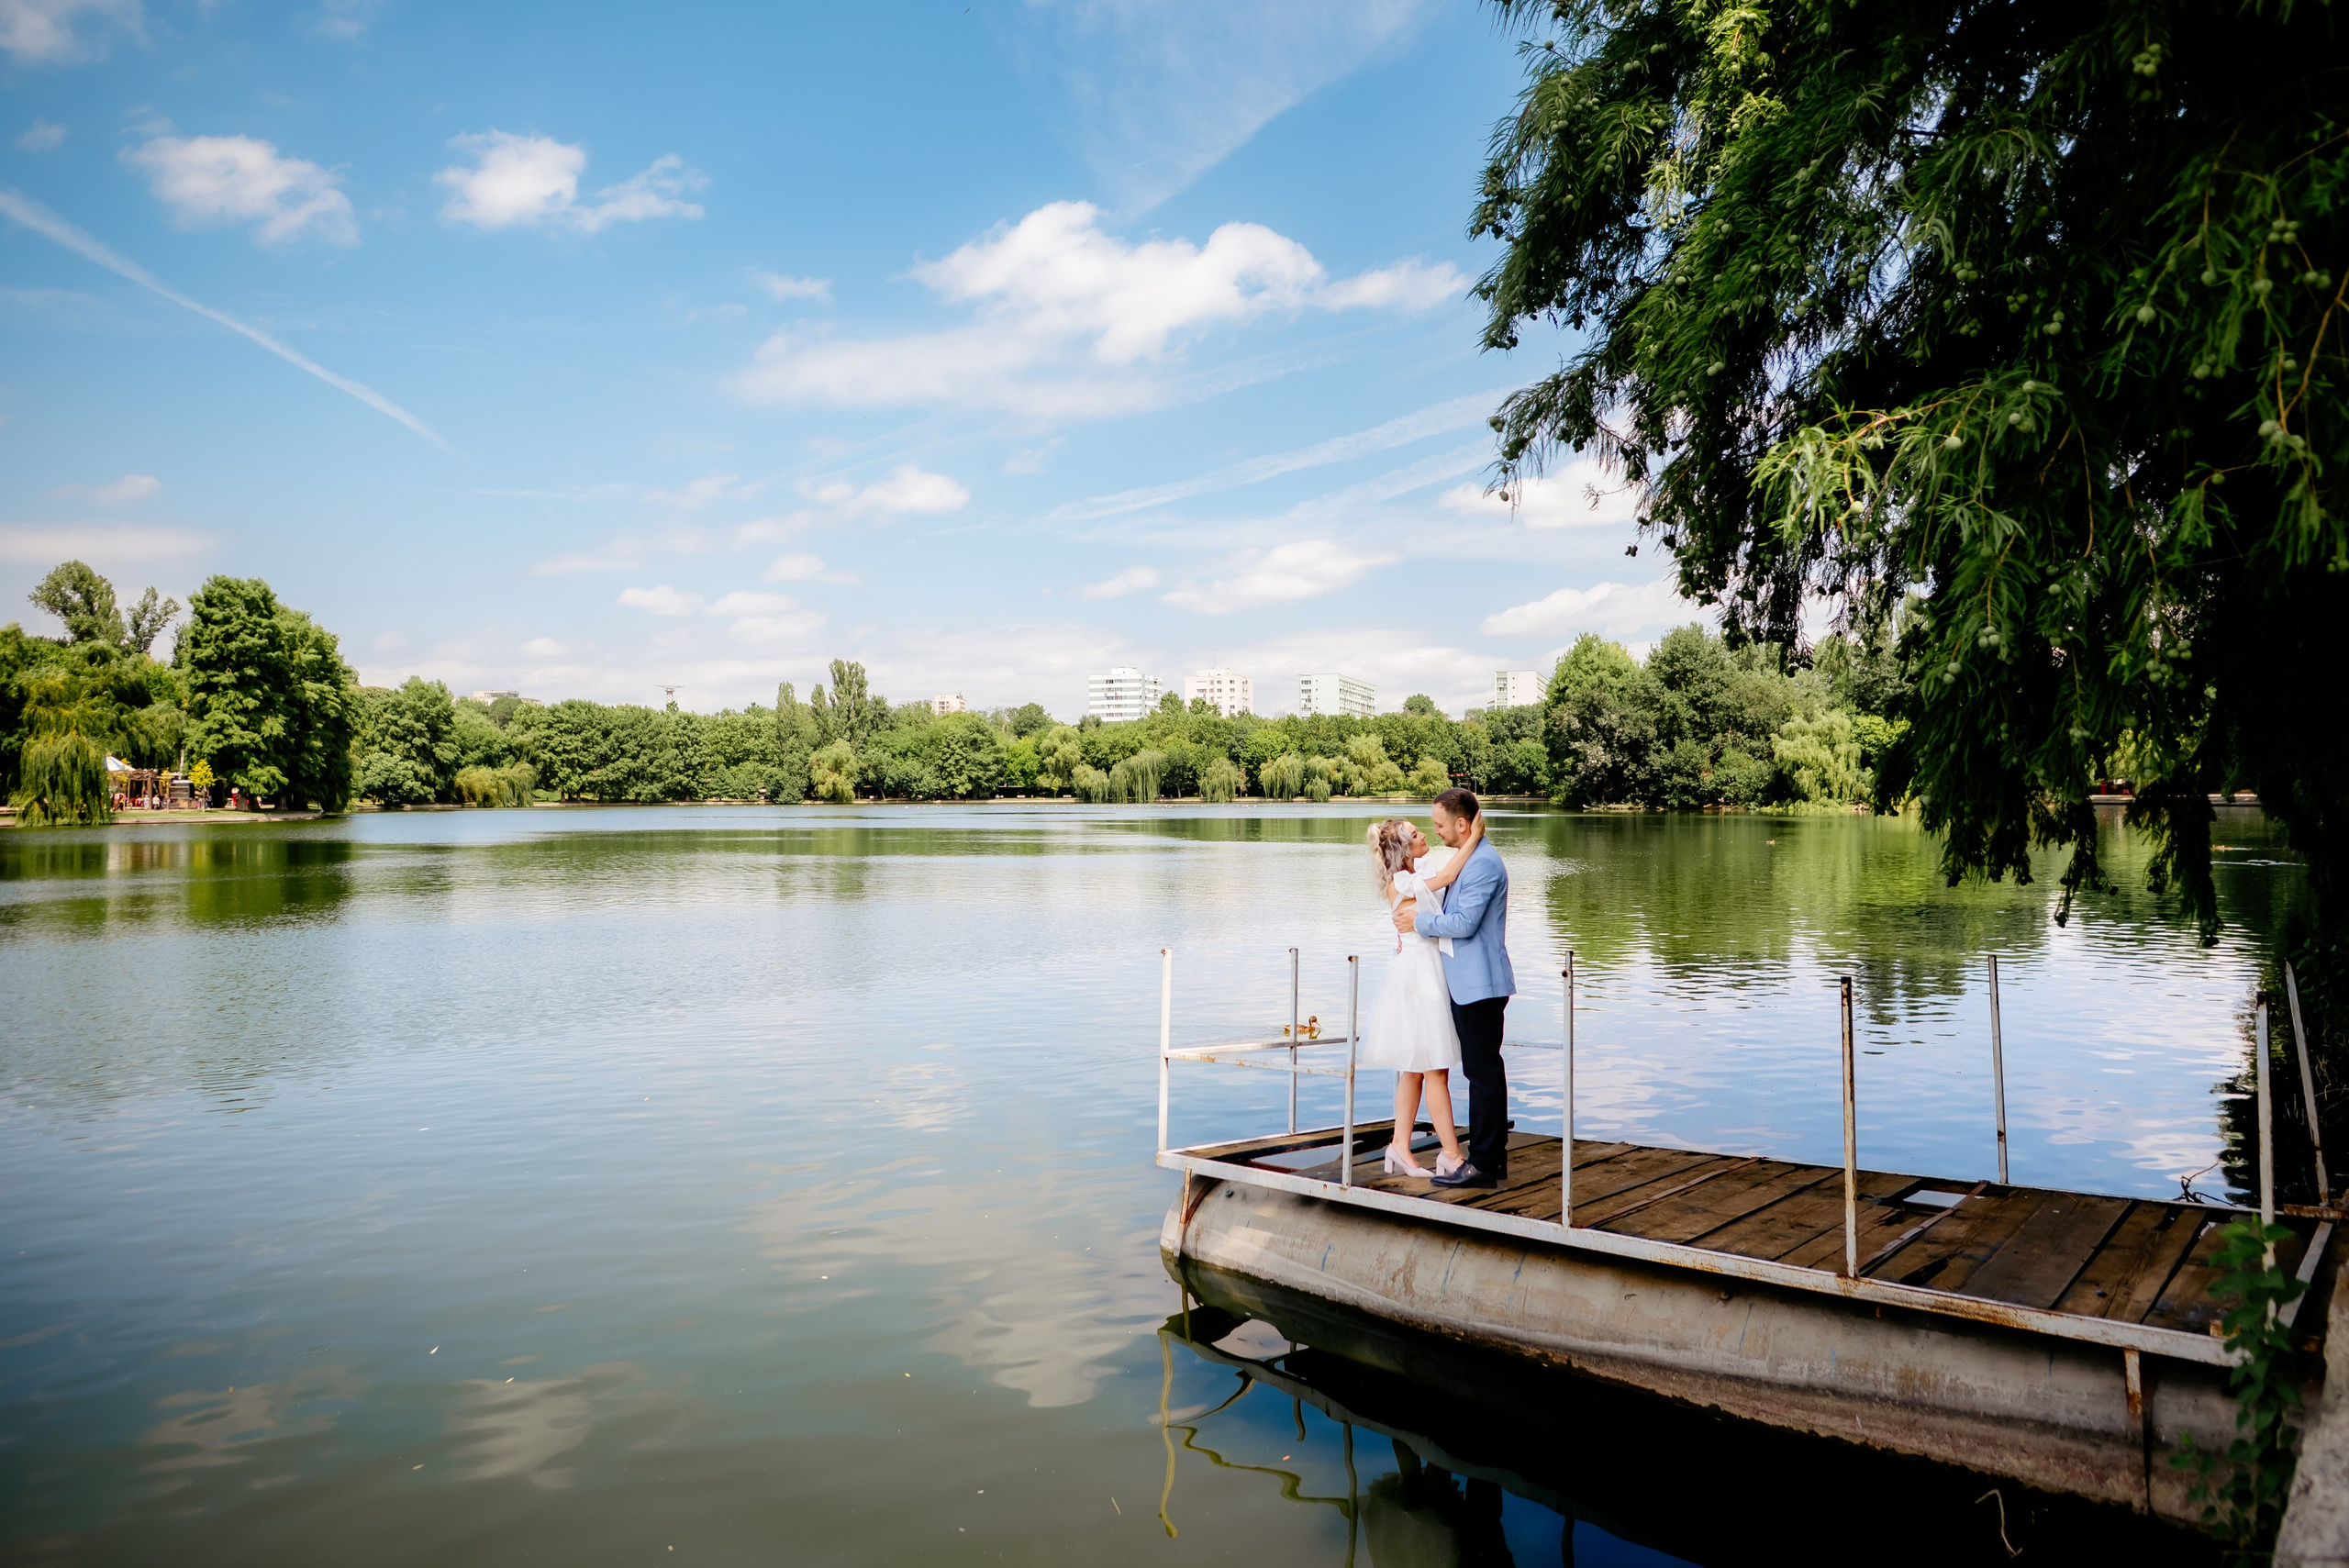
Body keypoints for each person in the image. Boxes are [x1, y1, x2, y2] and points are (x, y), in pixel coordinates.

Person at [1394, 788, 1515, 1189]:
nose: (1437, 831)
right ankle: (1491, 1159)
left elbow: (1463, 923)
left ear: (1462, 824)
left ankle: (1483, 1164)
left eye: (1440, 825)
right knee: (1482, 1071)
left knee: (1483, 1074)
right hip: (1469, 984)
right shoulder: (1471, 858)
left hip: (1479, 985)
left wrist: (1419, 923)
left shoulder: (1483, 865)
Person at [1360, 815, 1486, 1178]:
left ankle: (1400, 1145)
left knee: (1415, 1069)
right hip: (1419, 976)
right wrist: (1474, 838)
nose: (1424, 835)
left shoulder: (1417, 874)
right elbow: (1447, 877)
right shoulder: (1401, 881)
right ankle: (1452, 1155)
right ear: (1404, 848)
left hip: (1429, 968)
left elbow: (1441, 887)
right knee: (1435, 1069)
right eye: (1416, 834)